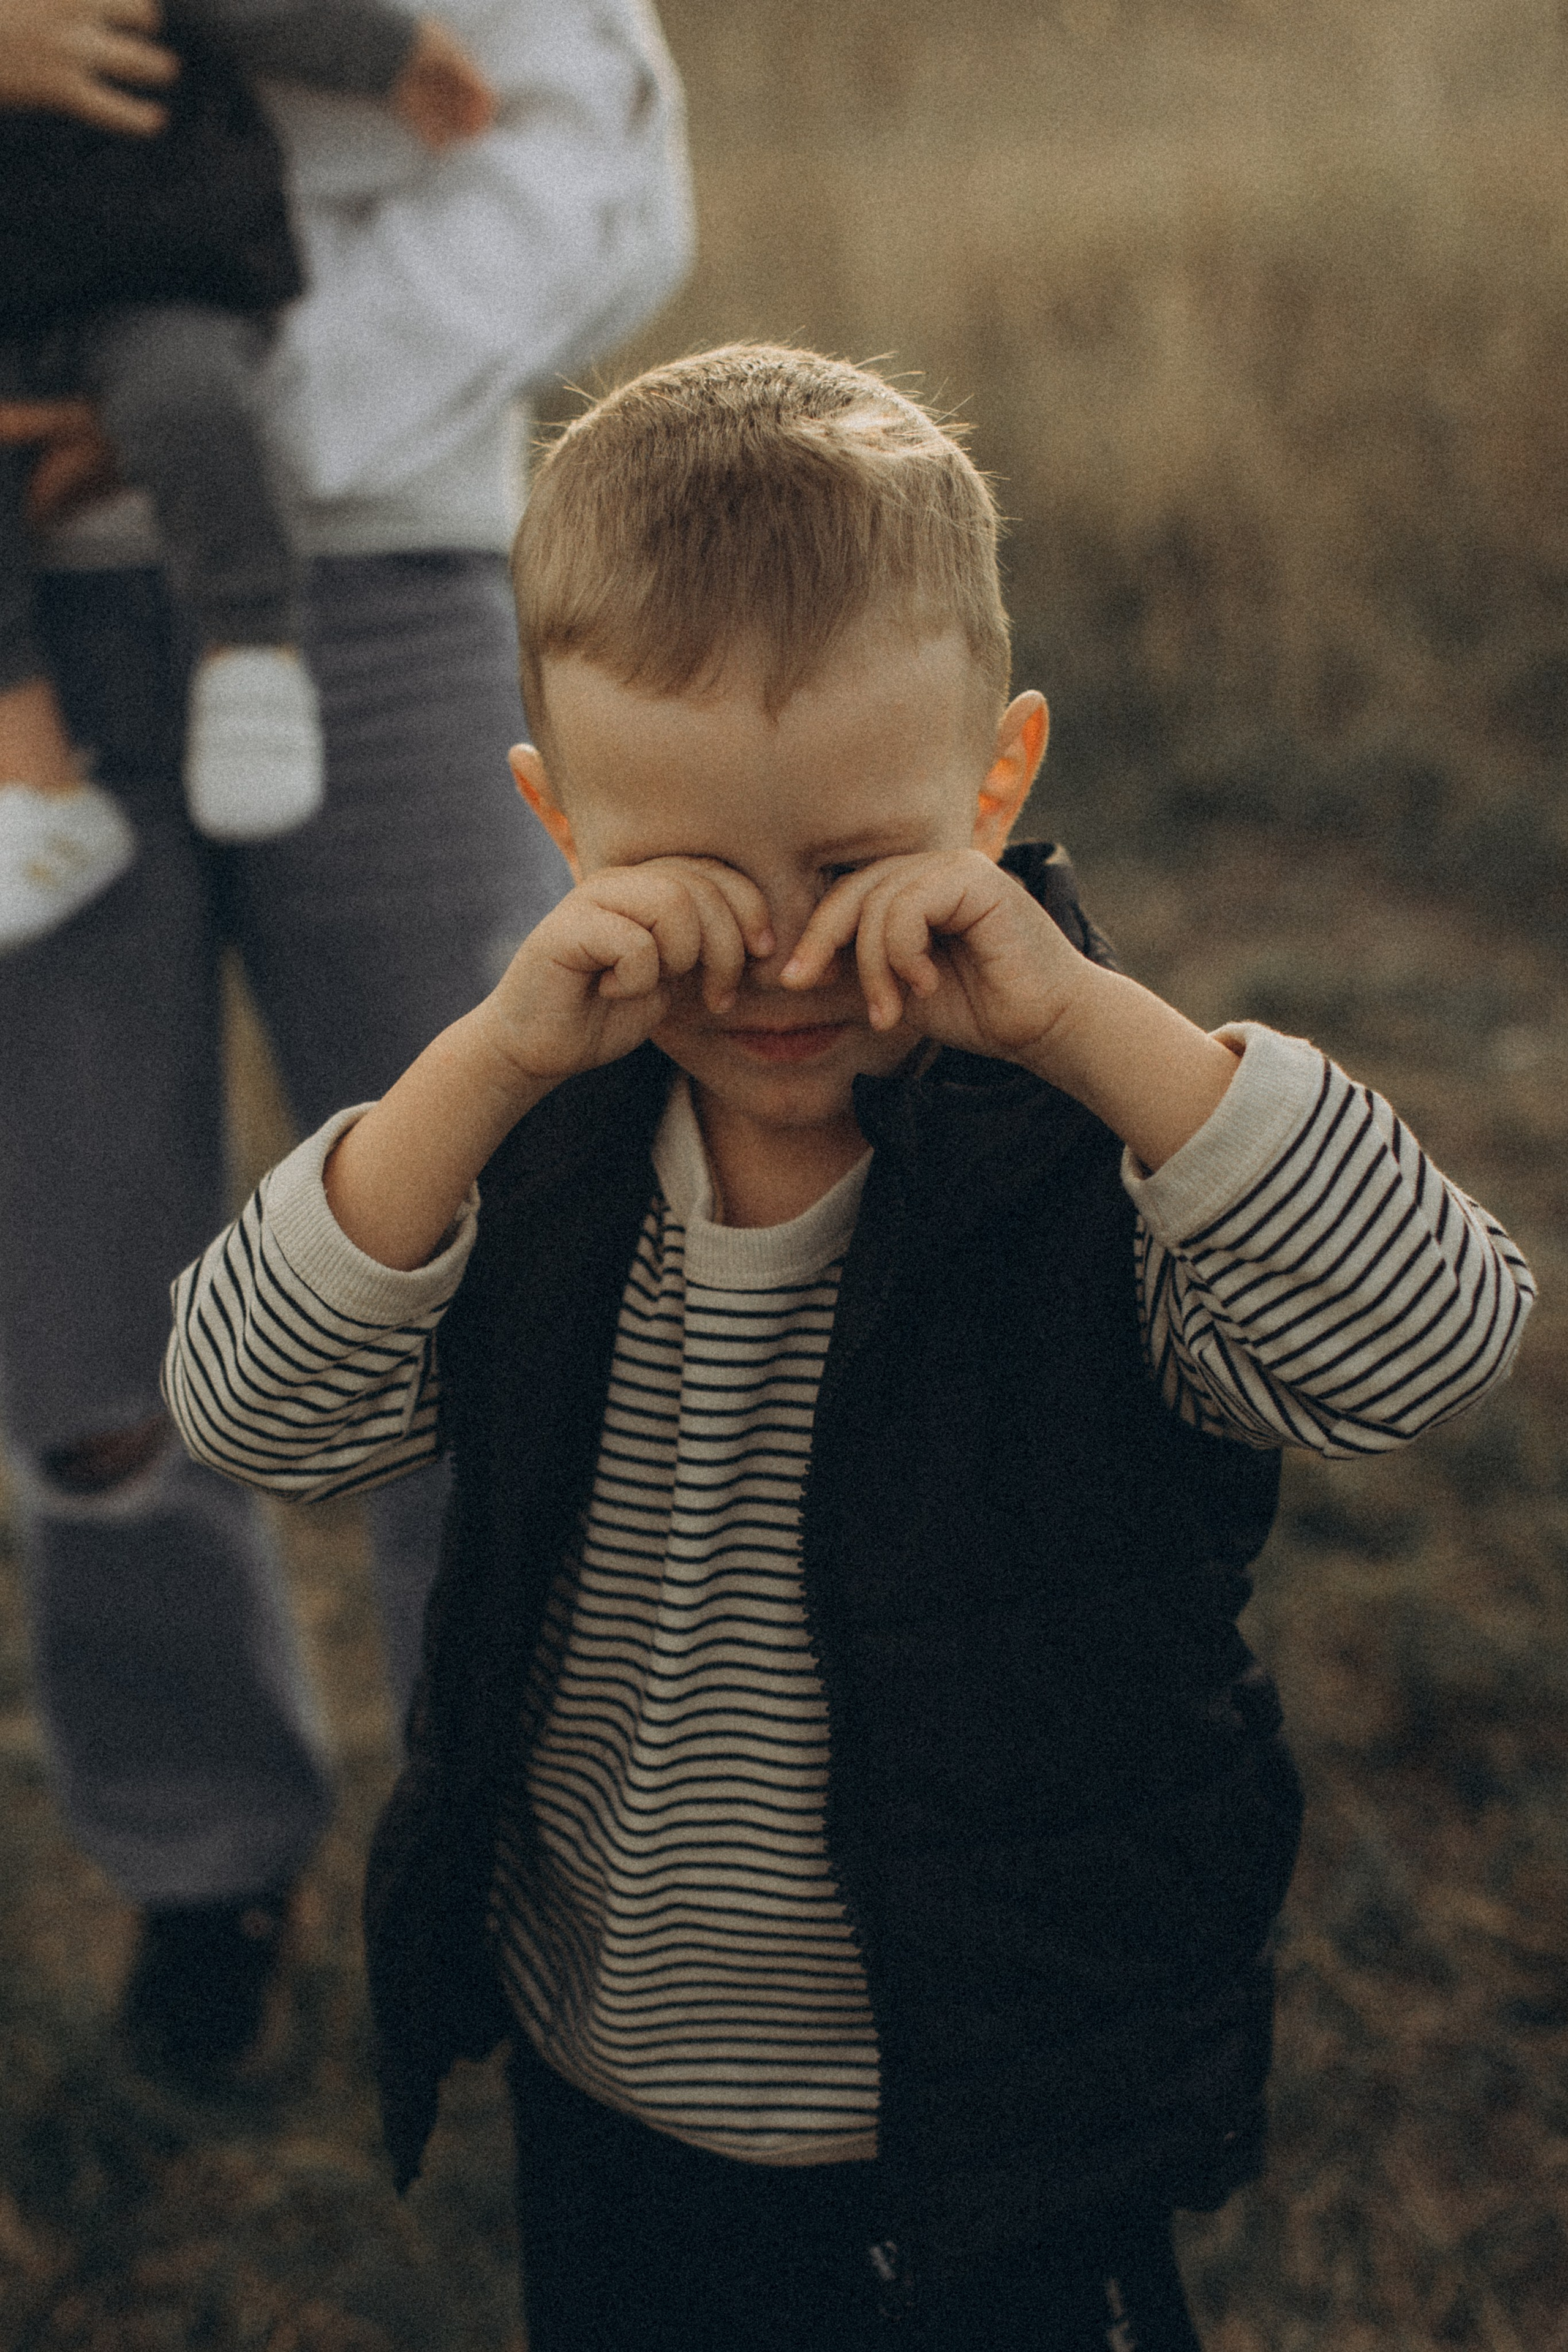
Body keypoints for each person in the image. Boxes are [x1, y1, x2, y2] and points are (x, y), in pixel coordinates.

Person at [162, 347, 1535, 2349]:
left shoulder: (1094, 1169)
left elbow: (1435, 1340)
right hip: (604, 2076)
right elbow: (248, 1412)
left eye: (853, 864)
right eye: (694, 877)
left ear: (997, 786)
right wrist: (478, 1067)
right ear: (555, 827)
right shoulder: (535, 1156)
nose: (787, 956)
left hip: (994, 2106)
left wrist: (1088, 1028)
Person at [0, 0, 692, 2081]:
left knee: (479, 1254)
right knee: (73, 1304)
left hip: (376, 570)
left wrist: (226, 410)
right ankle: (203, 1863)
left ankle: (507, 1866)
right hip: (15, 603)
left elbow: (590, 158)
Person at [0, 1, 501, 952]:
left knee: (186, 400)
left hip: (159, 263)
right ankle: (31, 778)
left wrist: (383, 49)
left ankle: (253, 657)